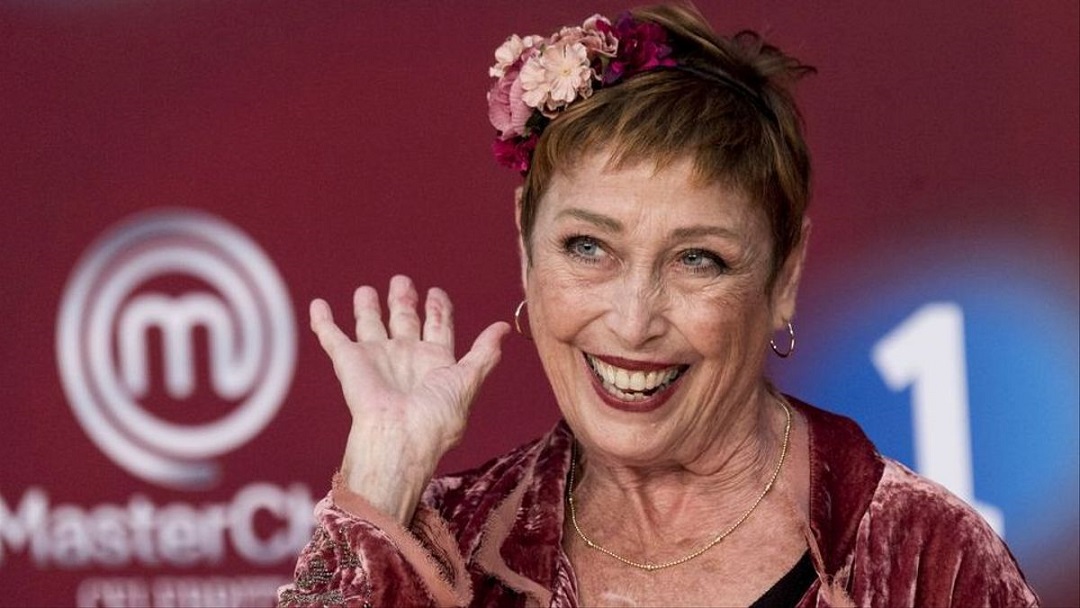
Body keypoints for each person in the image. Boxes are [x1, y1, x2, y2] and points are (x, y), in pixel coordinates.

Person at [278, 5, 1037, 606]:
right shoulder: (447, 540)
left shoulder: (923, 556)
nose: (635, 320)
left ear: (784, 276)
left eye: (697, 259)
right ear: (524, 245)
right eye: (587, 248)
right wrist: (381, 476)